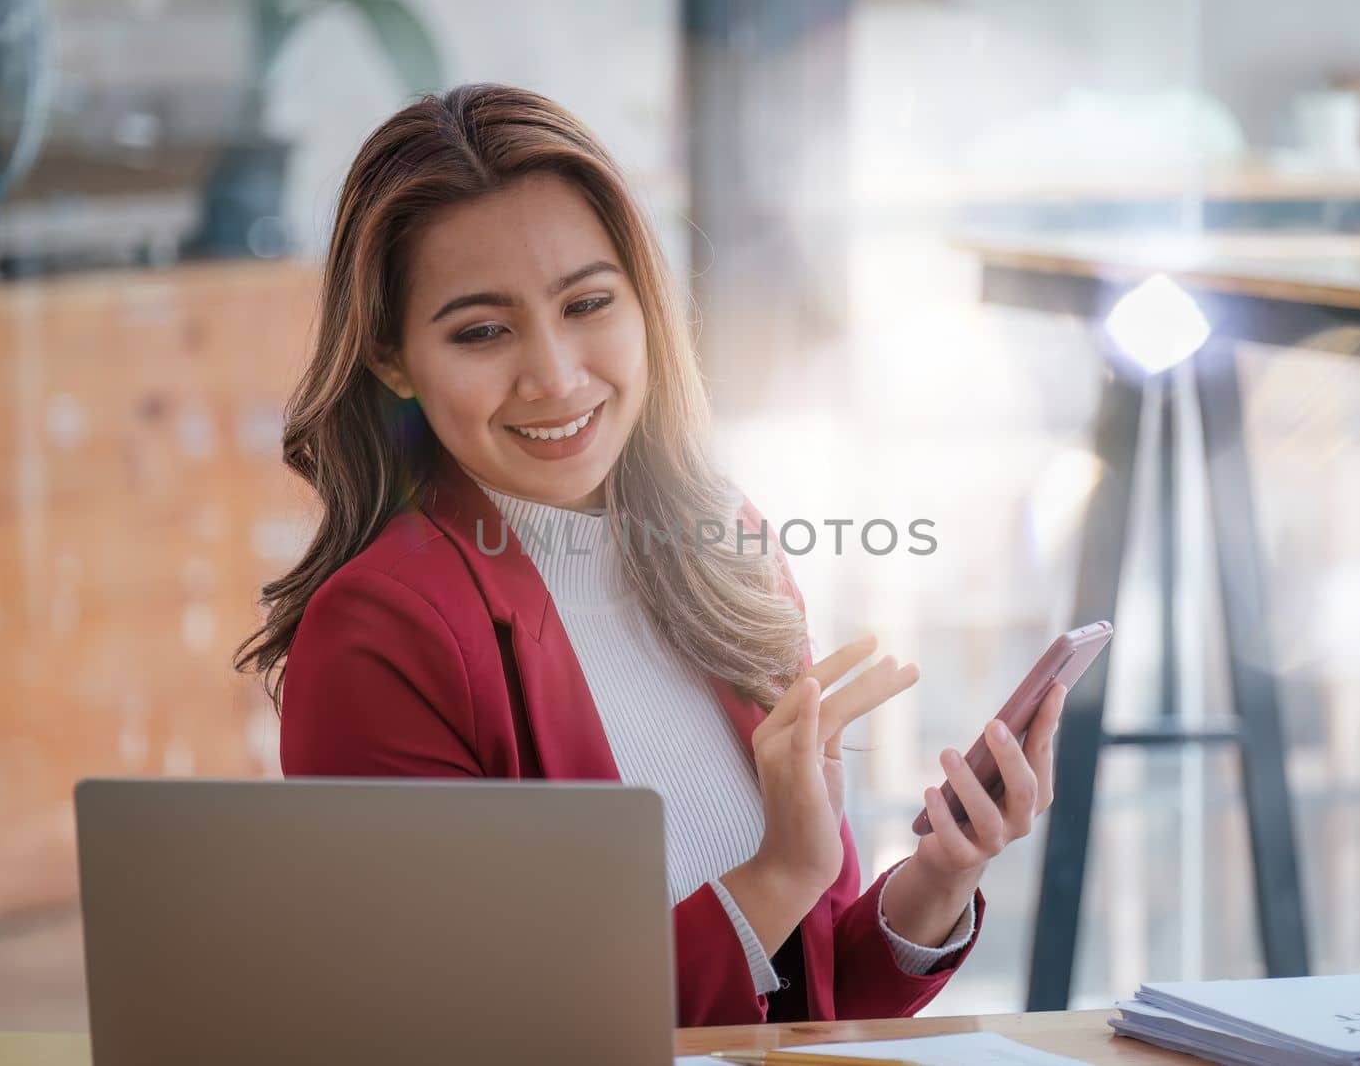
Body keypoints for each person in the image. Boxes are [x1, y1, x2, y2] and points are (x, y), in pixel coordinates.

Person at [235, 83, 1066, 1028]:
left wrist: (942, 875)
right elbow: (478, 1027)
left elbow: (806, 995)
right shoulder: (381, 631)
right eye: (481, 330)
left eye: (587, 303)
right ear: (391, 359)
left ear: (645, 303)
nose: (554, 375)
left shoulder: (726, 547)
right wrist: (785, 868)